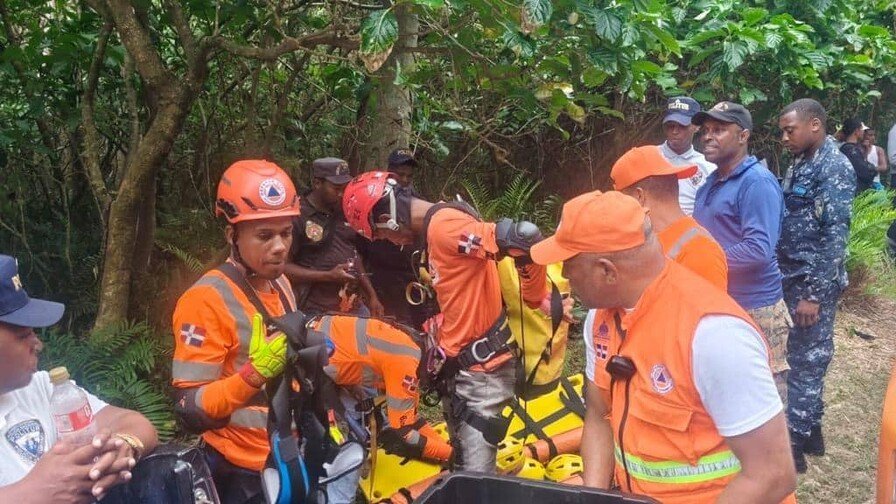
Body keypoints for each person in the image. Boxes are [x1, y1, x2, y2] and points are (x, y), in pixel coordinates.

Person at [531, 191, 796, 504]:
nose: (563, 276)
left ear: (607, 271)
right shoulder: (600, 321)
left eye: (568, 265)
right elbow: (599, 414)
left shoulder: (714, 336)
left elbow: (773, 474)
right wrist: (593, 496)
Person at [342, 171, 549, 472]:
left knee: (476, 480)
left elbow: (523, 237)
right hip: (462, 368)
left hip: (482, 372)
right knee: (464, 466)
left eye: (383, 235)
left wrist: (535, 296)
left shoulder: (444, 227)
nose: (391, 242)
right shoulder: (435, 228)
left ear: (387, 218)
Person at [171, 160, 300, 503]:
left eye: (286, 233)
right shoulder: (206, 299)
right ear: (233, 236)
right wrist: (253, 375)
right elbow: (190, 407)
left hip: (288, 453)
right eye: (264, 235)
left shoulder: (281, 283)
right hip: (239, 471)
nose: (279, 246)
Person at [0, 255, 158, 503]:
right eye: (23, 336)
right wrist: (28, 493)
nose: (38, 344)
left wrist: (123, 445)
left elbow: (134, 422)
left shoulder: (41, 389)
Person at [692, 101, 791, 402]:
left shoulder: (756, 182)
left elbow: (758, 249)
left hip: (755, 308)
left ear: (743, 136)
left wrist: (700, 262)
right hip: (719, 302)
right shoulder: (711, 182)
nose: (708, 136)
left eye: (719, 130)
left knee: (763, 396)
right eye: (706, 130)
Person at [778, 99, 855, 473]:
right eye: (782, 131)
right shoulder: (801, 161)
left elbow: (834, 239)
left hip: (811, 283)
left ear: (814, 125)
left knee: (806, 361)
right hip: (793, 277)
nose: (784, 137)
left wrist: (814, 295)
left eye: (790, 130)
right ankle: (811, 431)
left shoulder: (833, 166)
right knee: (805, 356)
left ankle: (794, 443)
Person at [611, 145, 728, 290]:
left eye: (621, 198)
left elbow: (709, 305)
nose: (619, 207)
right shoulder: (643, 239)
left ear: (639, 196)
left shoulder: (701, 250)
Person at [286, 157, 383, 317]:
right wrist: (327, 276)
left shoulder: (346, 210)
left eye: (345, 188)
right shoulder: (298, 215)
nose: (342, 194)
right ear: (317, 183)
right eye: (336, 188)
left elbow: (353, 253)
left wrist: (372, 295)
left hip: (351, 304)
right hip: (314, 308)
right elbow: (283, 268)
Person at [357, 149, 430, 328]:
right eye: (400, 175)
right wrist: (370, 294)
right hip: (383, 280)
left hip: (414, 278)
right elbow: (358, 250)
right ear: (389, 172)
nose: (404, 180)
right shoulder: (374, 203)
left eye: (409, 176)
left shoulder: (416, 201)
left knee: (422, 327)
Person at [657, 96, 717, 215]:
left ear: (697, 127)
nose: (675, 131)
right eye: (670, 125)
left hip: (693, 224)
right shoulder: (649, 157)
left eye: (682, 125)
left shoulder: (708, 167)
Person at [838, 118, 877, 194]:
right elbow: (864, 173)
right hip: (854, 192)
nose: (863, 132)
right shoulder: (850, 150)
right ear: (856, 131)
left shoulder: (851, 148)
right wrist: (872, 169)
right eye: (862, 129)